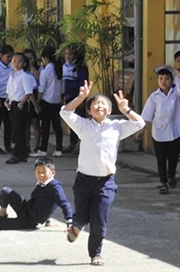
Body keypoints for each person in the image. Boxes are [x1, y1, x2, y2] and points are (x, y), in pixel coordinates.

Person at [61, 82, 145, 266]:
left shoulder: (117, 127)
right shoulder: (83, 125)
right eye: (94, 104)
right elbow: (65, 113)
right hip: (84, 181)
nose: (99, 106)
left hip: (106, 183)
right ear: (89, 111)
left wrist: (126, 109)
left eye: (103, 103)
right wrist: (81, 97)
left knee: (99, 220)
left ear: (109, 109)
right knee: (83, 217)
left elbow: (140, 123)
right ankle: (76, 225)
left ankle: (95, 254)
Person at [0, 158, 73, 230]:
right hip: (26, 208)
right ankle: (1, 214)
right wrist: (48, 221)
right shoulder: (41, 183)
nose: (41, 175)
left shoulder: (55, 187)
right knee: (6, 191)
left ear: (53, 173)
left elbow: (64, 204)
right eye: (38, 171)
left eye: (44, 172)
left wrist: (69, 223)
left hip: (30, 221)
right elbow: (43, 202)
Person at [141, 65, 180, 195]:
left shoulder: (176, 94)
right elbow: (147, 116)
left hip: (175, 132)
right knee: (161, 159)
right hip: (159, 133)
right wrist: (142, 131)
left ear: (172, 81)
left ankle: (171, 175)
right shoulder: (154, 97)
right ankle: (163, 183)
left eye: (167, 78)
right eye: (161, 78)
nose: (163, 81)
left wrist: (174, 70)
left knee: (173, 158)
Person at [32, 46, 64, 157]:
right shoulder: (60, 69)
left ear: (46, 58)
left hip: (47, 101)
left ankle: (43, 149)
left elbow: (41, 88)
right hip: (57, 101)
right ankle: (59, 149)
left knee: (45, 126)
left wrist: (37, 102)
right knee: (57, 126)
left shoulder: (46, 71)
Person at [5, 52, 34, 165]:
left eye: (19, 61)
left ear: (24, 63)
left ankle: (17, 154)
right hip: (12, 104)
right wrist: (7, 101)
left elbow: (28, 93)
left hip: (20, 104)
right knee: (15, 129)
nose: (16, 64)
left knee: (19, 130)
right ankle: (22, 154)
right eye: (14, 61)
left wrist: (21, 104)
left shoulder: (25, 76)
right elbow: (9, 91)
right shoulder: (11, 75)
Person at [62, 44, 89, 154]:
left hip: (77, 97)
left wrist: (81, 99)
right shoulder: (64, 66)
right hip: (68, 96)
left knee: (80, 121)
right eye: (66, 54)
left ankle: (81, 144)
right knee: (72, 121)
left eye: (71, 54)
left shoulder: (80, 67)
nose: (68, 57)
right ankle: (73, 143)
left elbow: (82, 83)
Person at [23, 49, 42, 156]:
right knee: (26, 124)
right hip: (26, 95)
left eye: (31, 58)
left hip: (36, 93)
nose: (29, 61)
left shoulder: (39, 69)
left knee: (36, 123)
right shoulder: (22, 71)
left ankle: (37, 146)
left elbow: (40, 79)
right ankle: (26, 146)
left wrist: (32, 68)